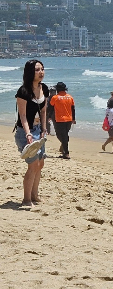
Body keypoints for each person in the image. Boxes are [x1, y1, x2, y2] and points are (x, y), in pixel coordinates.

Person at [14, 60, 49, 207]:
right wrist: (28, 134)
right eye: (37, 70)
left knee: (40, 164)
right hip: (24, 132)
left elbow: (43, 111)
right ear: (30, 72)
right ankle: (26, 200)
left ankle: (35, 195)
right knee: (33, 165)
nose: (41, 72)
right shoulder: (23, 91)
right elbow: (22, 116)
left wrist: (44, 129)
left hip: (38, 131)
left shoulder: (44, 89)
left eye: (42, 69)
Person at [50, 82, 75, 159]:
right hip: (69, 120)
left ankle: (66, 153)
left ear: (57, 89)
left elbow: (50, 108)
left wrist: (49, 116)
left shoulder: (55, 98)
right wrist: (73, 119)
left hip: (59, 119)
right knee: (65, 134)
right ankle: (65, 148)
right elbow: (73, 109)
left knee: (59, 135)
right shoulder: (70, 97)